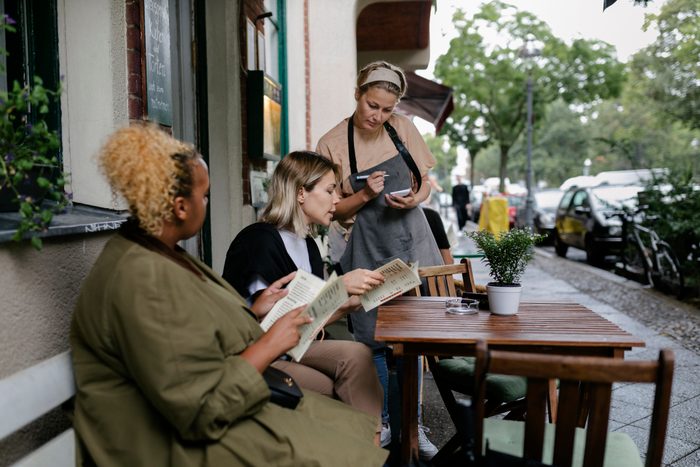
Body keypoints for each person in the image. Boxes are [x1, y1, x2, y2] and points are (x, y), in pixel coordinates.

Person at [70, 125, 388, 466]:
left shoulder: (158, 253)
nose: (207, 204)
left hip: (213, 401)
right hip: (163, 442)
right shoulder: (142, 276)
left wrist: (253, 314)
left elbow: (191, 337)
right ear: (180, 206)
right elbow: (198, 409)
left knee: (357, 430)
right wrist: (270, 341)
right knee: (350, 446)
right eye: (204, 196)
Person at [316, 60, 442, 460]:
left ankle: (413, 423)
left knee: (413, 338)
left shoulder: (403, 128)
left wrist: (414, 198)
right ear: (357, 94)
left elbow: (424, 182)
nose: (378, 116)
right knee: (372, 338)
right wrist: (366, 195)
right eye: (372, 106)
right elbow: (331, 210)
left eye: (387, 109)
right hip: (365, 246)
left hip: (409, 241)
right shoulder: (333, 143)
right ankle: (382, 422)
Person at [222, 151, 384, 420]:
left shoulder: (308, 244)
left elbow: (308, 318)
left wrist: (347, 305)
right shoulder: (258, 241)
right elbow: (258, 323)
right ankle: (368, 445)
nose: (337, 200)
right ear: (300, 194)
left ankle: (367, 445)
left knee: (357, 357)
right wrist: (339, 289)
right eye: (330, 190)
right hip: (260, 350)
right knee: (351, 362)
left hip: (296, 345)